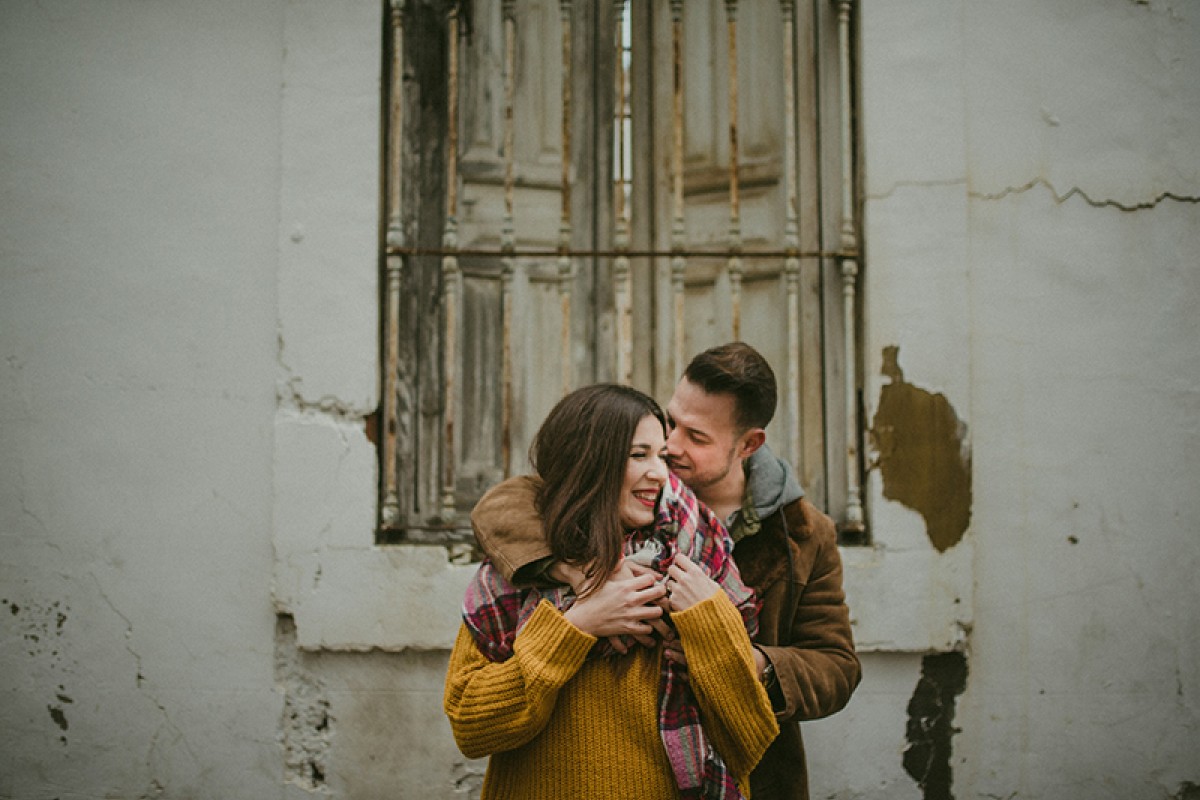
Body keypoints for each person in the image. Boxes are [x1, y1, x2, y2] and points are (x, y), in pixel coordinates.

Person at [472, 343, 860, 800]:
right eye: (672, 421)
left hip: (748, 772)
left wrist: (745, 659)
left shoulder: (802, 534)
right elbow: (509, 503)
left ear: (749, 444)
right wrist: (576, 571)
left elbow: (836, 666)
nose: (671, 446)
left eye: (696, 437)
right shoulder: (624, 491)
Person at [443, 383, 779, 800]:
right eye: (639, 455)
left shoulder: (698, 563)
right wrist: (576, 625)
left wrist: (708, 619)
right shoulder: (516, 571)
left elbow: (750, 737)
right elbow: (472, 728)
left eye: (661, 455)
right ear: (588, 461)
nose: (659, 473)